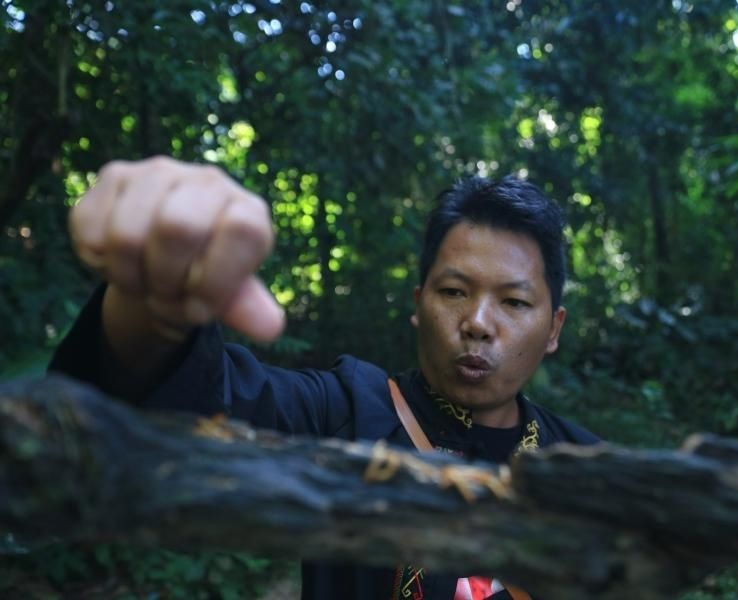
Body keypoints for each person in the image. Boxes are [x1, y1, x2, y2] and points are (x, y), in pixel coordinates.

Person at [49, 156, 599, 600]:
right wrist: (153, 303)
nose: (478, 324)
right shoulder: (344, 412)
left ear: (553, 329)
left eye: (514, 301)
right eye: (454, 291)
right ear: (418, 304)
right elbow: (179, 401)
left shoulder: (587, 465)